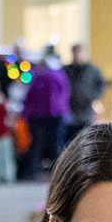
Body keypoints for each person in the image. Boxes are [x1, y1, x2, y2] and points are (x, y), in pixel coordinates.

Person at [20, 45, 70, 179]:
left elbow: (30, 97)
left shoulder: (40, 77)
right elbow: (63, 96)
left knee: (38, 144)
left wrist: (25, 113)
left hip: (39, 115)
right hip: (54, 114)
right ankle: (57, 173)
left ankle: (33, 172)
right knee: (54, 144)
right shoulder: (59, 76)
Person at [63, 43, 105, 146]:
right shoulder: (66, 70)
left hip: (86, 111)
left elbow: (100, 85)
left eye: (79, 52)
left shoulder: (92, 70)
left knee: (85, 139)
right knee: (70, 141)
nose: (77, 55)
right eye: (75, 52)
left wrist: (91, 96)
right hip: (70, 111)